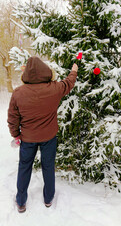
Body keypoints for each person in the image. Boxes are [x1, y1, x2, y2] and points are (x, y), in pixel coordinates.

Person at [7, 56, 78, 213]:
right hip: (49, 137)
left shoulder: (18, 93)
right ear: (46, 71)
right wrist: (74, 71)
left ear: (27, 75)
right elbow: (68, 83)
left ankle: (21, 201)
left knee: (24, 167)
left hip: (27, 138)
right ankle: (48, 199)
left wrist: (16, 135)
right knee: (48, 166)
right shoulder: (54, 88)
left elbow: (12, 118)